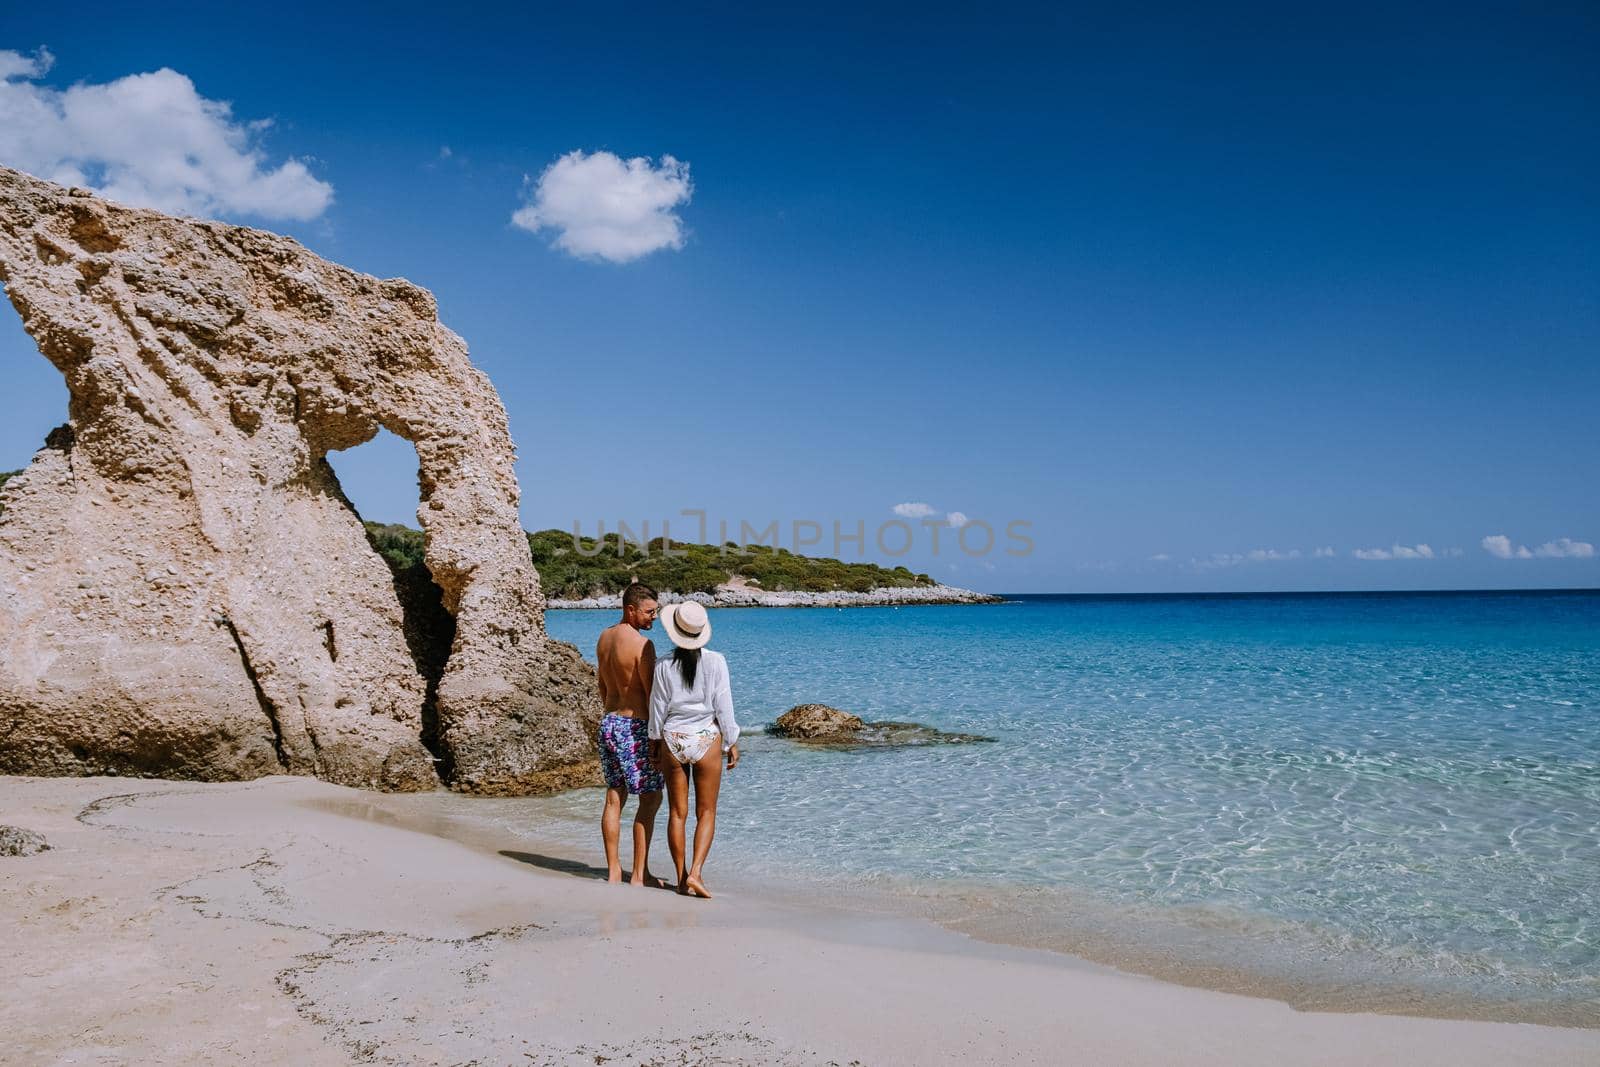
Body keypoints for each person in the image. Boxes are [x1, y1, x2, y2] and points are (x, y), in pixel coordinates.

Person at [648, 601, 740, 899]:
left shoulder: (663, 665)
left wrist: (654, 743)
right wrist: (731, 741)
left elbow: (657, 709)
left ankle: (680, 878)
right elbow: (723, 707)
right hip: (705, 738)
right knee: (707, 812)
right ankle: (697, 873)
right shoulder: (716, 661)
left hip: (673, 738)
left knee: (677, 813)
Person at [594, 582, 664, 886]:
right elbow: (652, 697)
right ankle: (639, 874)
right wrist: (656, 739)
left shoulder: (604, 637)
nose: (655, 617)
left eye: (657, 611)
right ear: (630, 609)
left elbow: (602, 686)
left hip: (608, 721)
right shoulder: (642, 645)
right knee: (650, 799)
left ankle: (612, 871)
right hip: (634, 726)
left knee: (614, 797)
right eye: (649, 612)